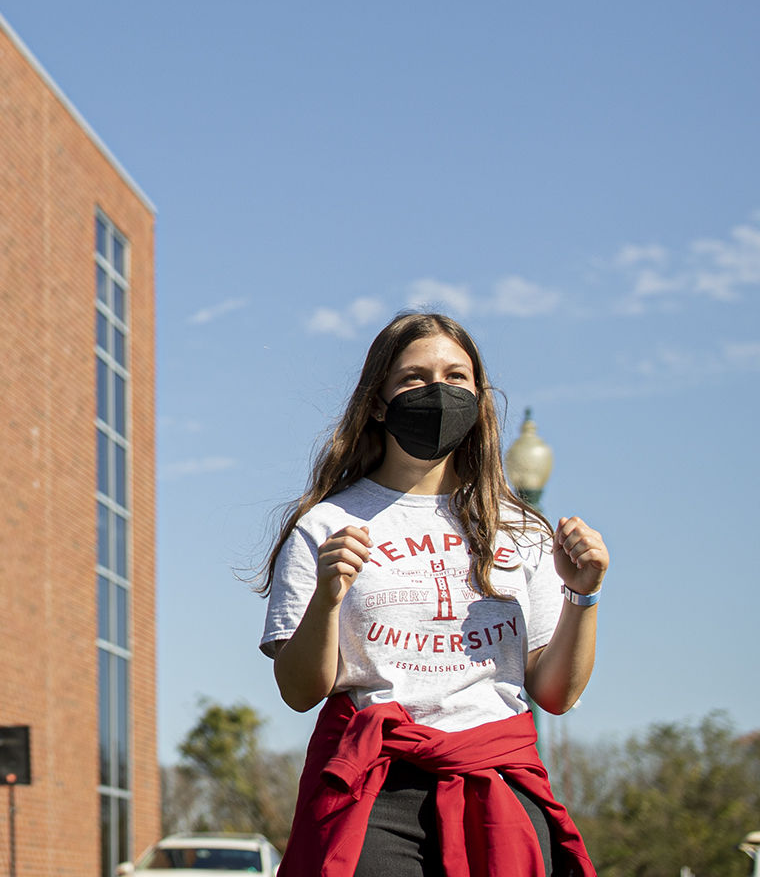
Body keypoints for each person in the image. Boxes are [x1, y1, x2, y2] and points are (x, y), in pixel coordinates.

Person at [261, 311, 609, 877]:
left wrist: (583, 597)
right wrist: (326, 597)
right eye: (414, 378)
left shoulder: (522, 530)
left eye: (456, 377)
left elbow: (557, 693)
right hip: (375, 791)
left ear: (479, 397)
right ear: (378, 401)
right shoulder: (326, 526)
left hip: (499, 782)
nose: (438, 392)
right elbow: (301, 691)